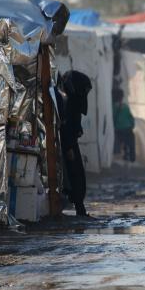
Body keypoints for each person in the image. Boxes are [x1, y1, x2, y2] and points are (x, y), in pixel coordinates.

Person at [60, 71, 92, 217]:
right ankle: (80, 210)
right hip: (69, 145)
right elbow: (66, 126)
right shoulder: (69, 102)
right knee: (74, 177)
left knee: (77, 177)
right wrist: (68, 147)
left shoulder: (72, 100)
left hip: (71, 143)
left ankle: (81, 209)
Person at [113, 90, 136, 163]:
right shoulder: (125, 106)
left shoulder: (112, 107)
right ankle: (132, 157)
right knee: (130, 143)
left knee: (124, 143)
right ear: (121, 97)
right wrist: (132, 125)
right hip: (128, 129)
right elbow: (131, 118)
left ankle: (125, 155)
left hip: (118, 130)